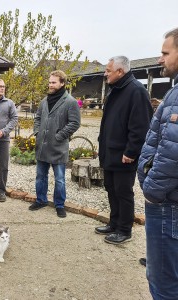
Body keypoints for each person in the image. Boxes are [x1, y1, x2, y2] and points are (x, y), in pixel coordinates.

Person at [137, 27, 178, 299]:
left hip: (167, 205)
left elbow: (173, 151)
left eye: (165, 53)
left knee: (163, 283)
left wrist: (152, 190)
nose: (160, 59)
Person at [96, 56, 153, 245]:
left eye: (108, 70)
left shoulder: (136, 91)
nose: (105, 74)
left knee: (123, 192)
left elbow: (140, 127)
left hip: (124, 155)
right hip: (110, 152)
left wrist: (131, 152)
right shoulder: (116, 90)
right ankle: (114, 223)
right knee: (111, 189)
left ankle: (124, 229)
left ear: (120, 72)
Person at [30, 70, 81, 218]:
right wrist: (37, 132)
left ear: (62, 83)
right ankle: (41, 200)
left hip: (58, 147)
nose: (50, 85)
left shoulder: (70, 102)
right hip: (42, 147)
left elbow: (75, 123)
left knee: (59, 179)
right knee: (40, 176)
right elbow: (37, 118)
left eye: (53, 82)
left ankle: (59, 204)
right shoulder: (44, 101)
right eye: (50, 82)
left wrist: (60, 135)